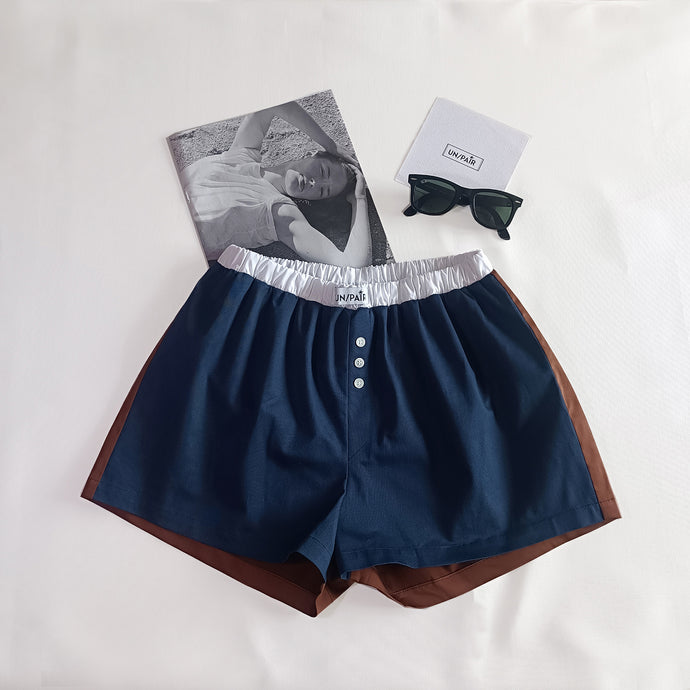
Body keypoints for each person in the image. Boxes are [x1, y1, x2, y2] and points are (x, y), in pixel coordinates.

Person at [179, 101, 372, 267]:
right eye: (323, 171)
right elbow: (272, 103)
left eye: (323, 191)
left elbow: (352, 264)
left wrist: (359, 199)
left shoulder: (281, 214)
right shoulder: (242, 155)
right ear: (312, 155)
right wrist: (330, 144)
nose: (314, 183)